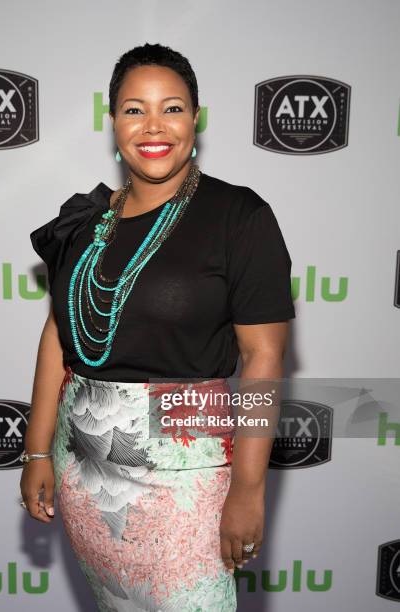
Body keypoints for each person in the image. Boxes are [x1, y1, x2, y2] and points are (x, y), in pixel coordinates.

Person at [20, 42, 296, 611]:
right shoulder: (85, 222)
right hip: (85, 469)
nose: (153, 126)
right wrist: (37, 450)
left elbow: (263, 360)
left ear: (196, 118)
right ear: (113, 119)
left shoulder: (239, 216)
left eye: (171, 108)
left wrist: (247, 488)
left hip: (188, 481)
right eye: (133, 109)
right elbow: (58, 333)